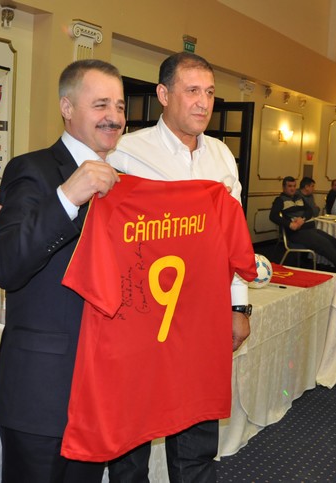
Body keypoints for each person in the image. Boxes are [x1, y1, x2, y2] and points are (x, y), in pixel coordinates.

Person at [109, 51, 253, 482]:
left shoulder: (222, 157)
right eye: (192, 91)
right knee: (132, 437)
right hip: (141, 317)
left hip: (201, 316)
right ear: (163, 94)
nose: (203, 103)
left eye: (209, 92)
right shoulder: (126, 153)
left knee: (197, 436)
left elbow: (232, 240)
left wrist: (239, 305)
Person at [0, 59, 127, 483]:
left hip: (101, 390)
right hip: (41, 392)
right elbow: (5, 266)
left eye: (120, 106)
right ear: (67, 108)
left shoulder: (124, 183)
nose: (114, 116)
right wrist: (67, 197)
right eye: (101, 104)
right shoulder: (33, 170)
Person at [270, 176, 336, 272]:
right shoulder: (280, 200)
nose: (293, 188)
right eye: (290, 186)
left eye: (294, 186)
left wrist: (302, 219)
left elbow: (309, 211)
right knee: (325, 244)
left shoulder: (299, 198)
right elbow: (273, 216)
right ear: (284, 187)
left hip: (310, 229)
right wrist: (290, 224)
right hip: (298, 232)